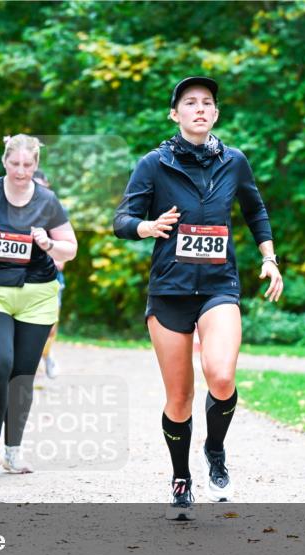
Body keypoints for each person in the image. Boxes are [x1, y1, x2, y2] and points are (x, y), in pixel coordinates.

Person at [113, 76, 283, 519]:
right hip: (169, 290)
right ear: (175, 114)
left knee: (221, 376)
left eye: (207, 103)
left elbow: (255, 210)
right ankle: (180, 477)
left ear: (216, 114)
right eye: (190, 103)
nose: (200, 109)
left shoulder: (234, 161)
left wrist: (269, 258)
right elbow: (122, 218)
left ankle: (215, 449)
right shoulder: (154, 164)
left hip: (218, 286)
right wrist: (144, 227)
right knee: (181, 397)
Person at [0, 134, 78, 478]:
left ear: (36, 165)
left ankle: (13, 451)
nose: (21, 171)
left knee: (22, 373)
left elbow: (71, 249)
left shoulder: (48, 201)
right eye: (15, 163)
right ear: (4, 161)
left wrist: (49, 242)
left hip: (37, 295)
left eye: (28, 164)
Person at [33, 169, 66, 379]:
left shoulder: (57, 212)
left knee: (50, 327)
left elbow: (61, 261)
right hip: (21, 281)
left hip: (51, 279)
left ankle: (46, 356)